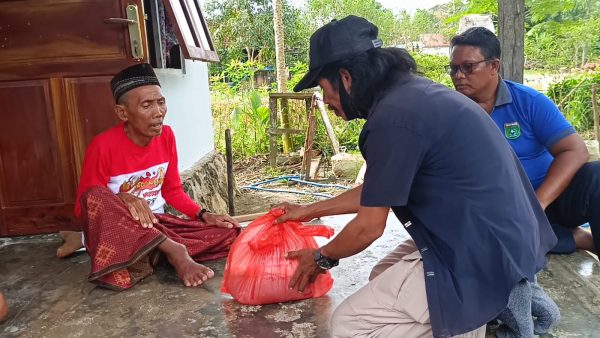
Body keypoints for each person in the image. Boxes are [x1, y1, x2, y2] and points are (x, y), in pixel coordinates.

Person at [279, 15, 557, 338]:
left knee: (348, 325)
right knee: (380, 274)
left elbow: (369, 226)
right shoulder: (409, 96)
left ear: (346, 77)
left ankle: (471, 322)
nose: (326, 100)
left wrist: (320, 258)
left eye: (324, 89)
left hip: (481, 251)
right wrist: (308, 212)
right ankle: (479, 314)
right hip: (499, 236)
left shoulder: (392, 119)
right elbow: (378, 189)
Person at [59, 63, 239, 291]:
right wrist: (123, 199)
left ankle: (93, 242)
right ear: (122, 113)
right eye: (147, 105)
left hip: (159, 226)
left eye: (161, 102)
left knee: (229, 233)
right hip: (121, 231)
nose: (158, 112)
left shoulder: (167, 136)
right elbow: (85, 206)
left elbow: (172, 190)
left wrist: (204, 214)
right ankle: (174, 251)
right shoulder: (103, 146)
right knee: (96, 194)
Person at [448, 27, 600, 255]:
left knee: (596, 176)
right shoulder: (449, 113)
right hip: (502, 210)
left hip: (550, 198)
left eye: (468, 67)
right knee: (484, 240)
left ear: (494, 66)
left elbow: (575, 150)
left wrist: (537, 204)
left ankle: (554, 233)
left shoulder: (529, 102)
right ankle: (572, 238)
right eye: (454, 68)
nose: (459, 75)